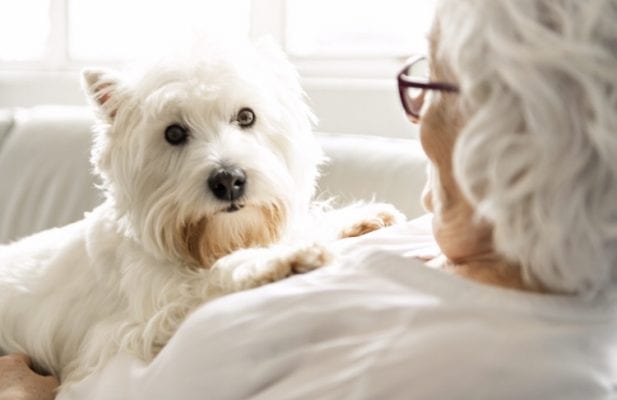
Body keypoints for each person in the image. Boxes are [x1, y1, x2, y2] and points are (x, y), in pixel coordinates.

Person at [7, 0, 617, 399]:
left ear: (509, 130)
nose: (417, 116)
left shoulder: (486, 366)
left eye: (427, 81)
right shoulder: (452, 241)